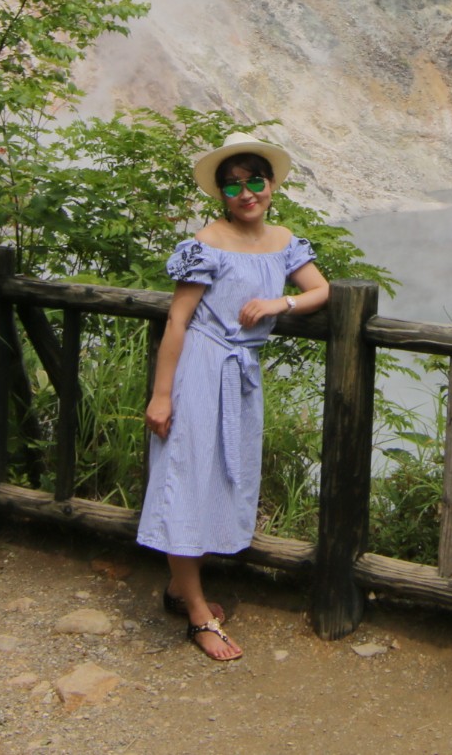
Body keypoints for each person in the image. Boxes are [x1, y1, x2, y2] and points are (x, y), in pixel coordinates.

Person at [138, 130, 329, 661]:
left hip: (240, 374)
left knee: (223, 474)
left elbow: (321, 289)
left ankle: (182, 587)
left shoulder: (284, 240)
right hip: (200, 366)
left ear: (271, 185)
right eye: (233, 186)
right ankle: (198, 613)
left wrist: (280, 304)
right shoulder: (205, 243)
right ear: (219, 195)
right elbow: (178, 320)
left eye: (255, 182)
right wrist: (162, 396)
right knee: (187, 474)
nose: (246, 194)